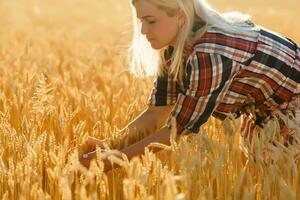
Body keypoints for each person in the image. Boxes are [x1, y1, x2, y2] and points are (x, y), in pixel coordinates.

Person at [79, 0, 300, 170]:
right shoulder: (174, 49)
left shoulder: (210, 54)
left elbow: (178, 129)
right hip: (267, 115)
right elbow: (156, 113)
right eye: (141, 22)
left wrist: (114, 159)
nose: (144, 30)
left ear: (181, 16)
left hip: (293, 111)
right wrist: (109, 145)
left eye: (151, 21)